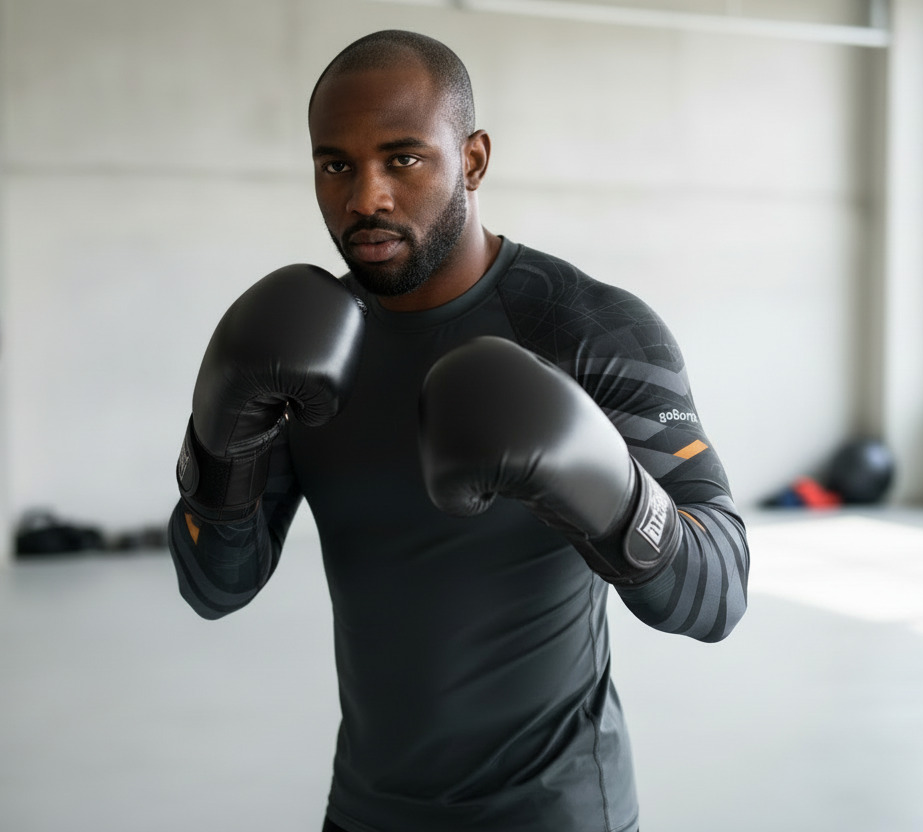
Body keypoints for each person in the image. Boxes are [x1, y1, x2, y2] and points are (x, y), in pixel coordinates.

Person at [169, 30, 749, 832]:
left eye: (402, 158)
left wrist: (608, 492)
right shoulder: (299, 346)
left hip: (558, 813)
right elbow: (215, 585)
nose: (365, 197)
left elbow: (719, 594)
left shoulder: (587, 329)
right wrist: (219, 448)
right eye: (335, 165)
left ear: (472, 160)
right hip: (367, 812)